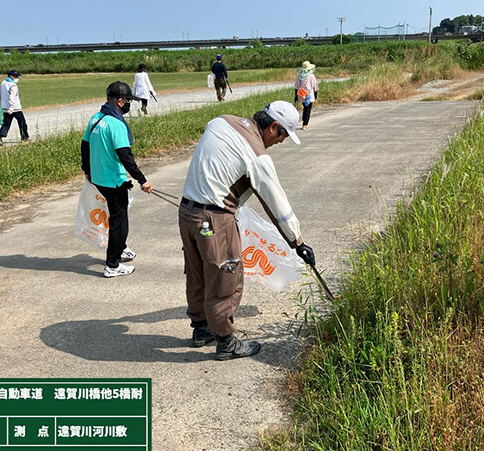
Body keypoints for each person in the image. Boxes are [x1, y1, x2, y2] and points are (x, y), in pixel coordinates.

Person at [179, 101, 316, 360]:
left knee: (197, 273)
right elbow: (277, 204)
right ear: (273, 127)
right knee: (225, 278)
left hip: (187, 213)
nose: (281, 142)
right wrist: (297, 242)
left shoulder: (221, 121)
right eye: (284, 135)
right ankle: (226, 343)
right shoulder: (257, 155)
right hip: (215, 219)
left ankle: (200, 329)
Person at [81, 82, 153, 278]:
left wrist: (87, 170)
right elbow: (125, 155)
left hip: (99, 178)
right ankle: (112, 264)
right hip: (113, 179)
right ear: (120, 101)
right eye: (128, 100)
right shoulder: (116, 124)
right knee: (119, 221)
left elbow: (84, 146)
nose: (130, 104)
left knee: (117, 216)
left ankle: (120, 248)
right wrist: (142, 180)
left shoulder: (97, 118)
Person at [0, 70, 30, 145]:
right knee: (22, 122)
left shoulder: (3, 83)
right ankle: (24, 138)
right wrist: (11, 106)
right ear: (11, 76)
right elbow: (12, 97)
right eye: (15, 76)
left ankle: (0, 135)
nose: (17, 78)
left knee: (6, 123)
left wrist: (4, 104)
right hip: (15, 108)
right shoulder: (13, 85)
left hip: (5, 108)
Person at [293, 61, 319, 130]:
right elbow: (315, 86)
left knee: (305, 107)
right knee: (308, 109)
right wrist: (316, 94)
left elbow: (296, 86)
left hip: (302, 94)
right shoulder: (311, 76)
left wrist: (295, 96)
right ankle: (305, 124)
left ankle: (304, 121)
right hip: (309, 94)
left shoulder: (299, 75)